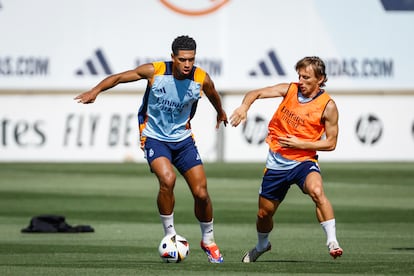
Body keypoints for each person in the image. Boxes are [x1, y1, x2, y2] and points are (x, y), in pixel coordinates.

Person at [74, 35, 227, 263]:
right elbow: (118, 78)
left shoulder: (200, 78)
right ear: (172, 57)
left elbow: (213, 93)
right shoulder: (154, 71)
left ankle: (209, 240)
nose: (187, 65)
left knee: (201, 193)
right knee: (167, 180)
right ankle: (170, 235)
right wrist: (95, 91)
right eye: (183, 60)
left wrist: (220, 111)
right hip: (154, 138)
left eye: (191, 60)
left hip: (183, 140)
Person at [230, 56, 343, 262]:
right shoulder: (290, 89)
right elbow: (255, 93)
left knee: (317, 191)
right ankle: (262, 245)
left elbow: (331, 143)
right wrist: (244, 107)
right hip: (277, 162)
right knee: (264, 214)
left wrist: (301, 144)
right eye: (299, 75)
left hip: (303, 161)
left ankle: (332, 242)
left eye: (306, 77)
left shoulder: (328, 106)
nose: (301, 81)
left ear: (321, 79)